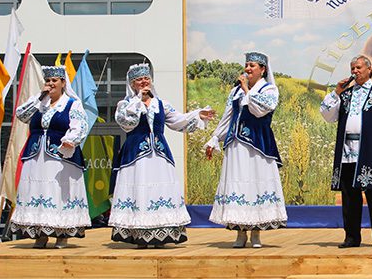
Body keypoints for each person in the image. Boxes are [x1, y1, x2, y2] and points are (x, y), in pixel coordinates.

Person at [109, 63, 215, 248]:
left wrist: (198, 115)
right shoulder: (125, 104)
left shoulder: (160, 103)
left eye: (146, 78)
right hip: (136, 154)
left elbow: (178, 121)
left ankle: (161, 233)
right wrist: (138, 101)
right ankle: (139, 233)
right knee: (139, 188)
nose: (144, 82)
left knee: (160, 189)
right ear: (132, 84)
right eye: (139, 80)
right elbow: (126, 123)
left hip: (159, 153)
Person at [204, 52, 287, 248]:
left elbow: (260, 110)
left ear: (263, 69)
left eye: (252, 66)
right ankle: (240, 233)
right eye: (246, 65)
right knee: (238, 184)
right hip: (236, 145)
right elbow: (228, 117)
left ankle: (256, 233)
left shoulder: (269, 90)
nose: (248, 69)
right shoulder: (235, 92)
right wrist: (214, 138)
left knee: (256, 184)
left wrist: (246, 89)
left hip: (258, 145)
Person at [320, 55, 372, 248]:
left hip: (370, 151)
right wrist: (336, 93)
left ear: (369, 69)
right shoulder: (345, 95)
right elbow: (327, 116)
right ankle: (352, 237)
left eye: (358, 68)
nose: (355, 72)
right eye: (352, 68)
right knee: (349, 197)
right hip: (347, 152)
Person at [10, 65, 91, 248]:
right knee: (38, 191)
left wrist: (71, 140)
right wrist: (40, 96)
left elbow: (80, 125)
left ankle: (61, 233)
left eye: (54, 80)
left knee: (57, 192)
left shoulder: (72, 103)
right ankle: (41, 233)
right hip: (37, 155)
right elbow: (21, 115)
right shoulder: (39, 102)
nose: (50, 84)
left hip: (61, 155)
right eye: (48, 80)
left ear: (63, 83)